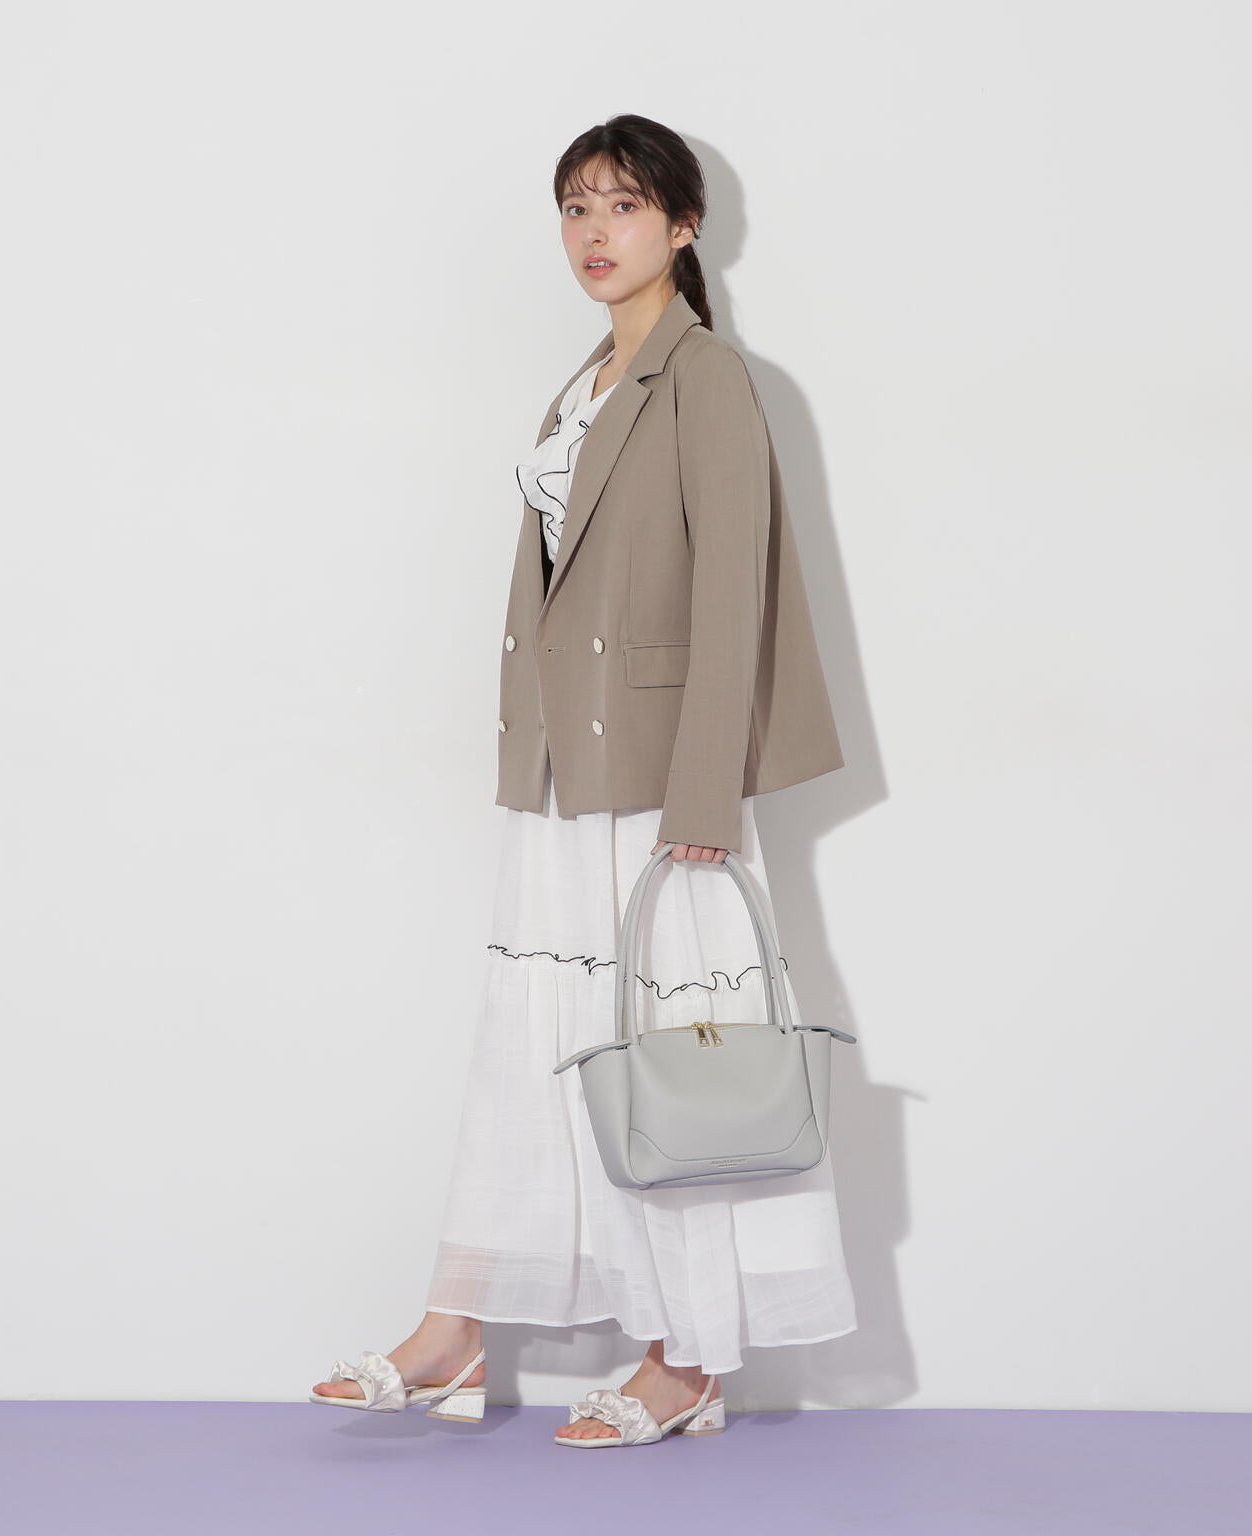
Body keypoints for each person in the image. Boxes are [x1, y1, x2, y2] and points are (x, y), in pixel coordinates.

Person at [310, 114, 856, 1448]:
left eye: (622, 205)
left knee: (674, 1064)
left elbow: (734, 595)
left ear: (683, 224)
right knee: (539, 1048)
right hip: (567, 770)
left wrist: (707, 802)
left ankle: (686, 1358)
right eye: (575, 207)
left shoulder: (707, 377)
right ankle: (454, 1325)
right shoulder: (586, 384)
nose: (594, 232)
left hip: (663, 783)